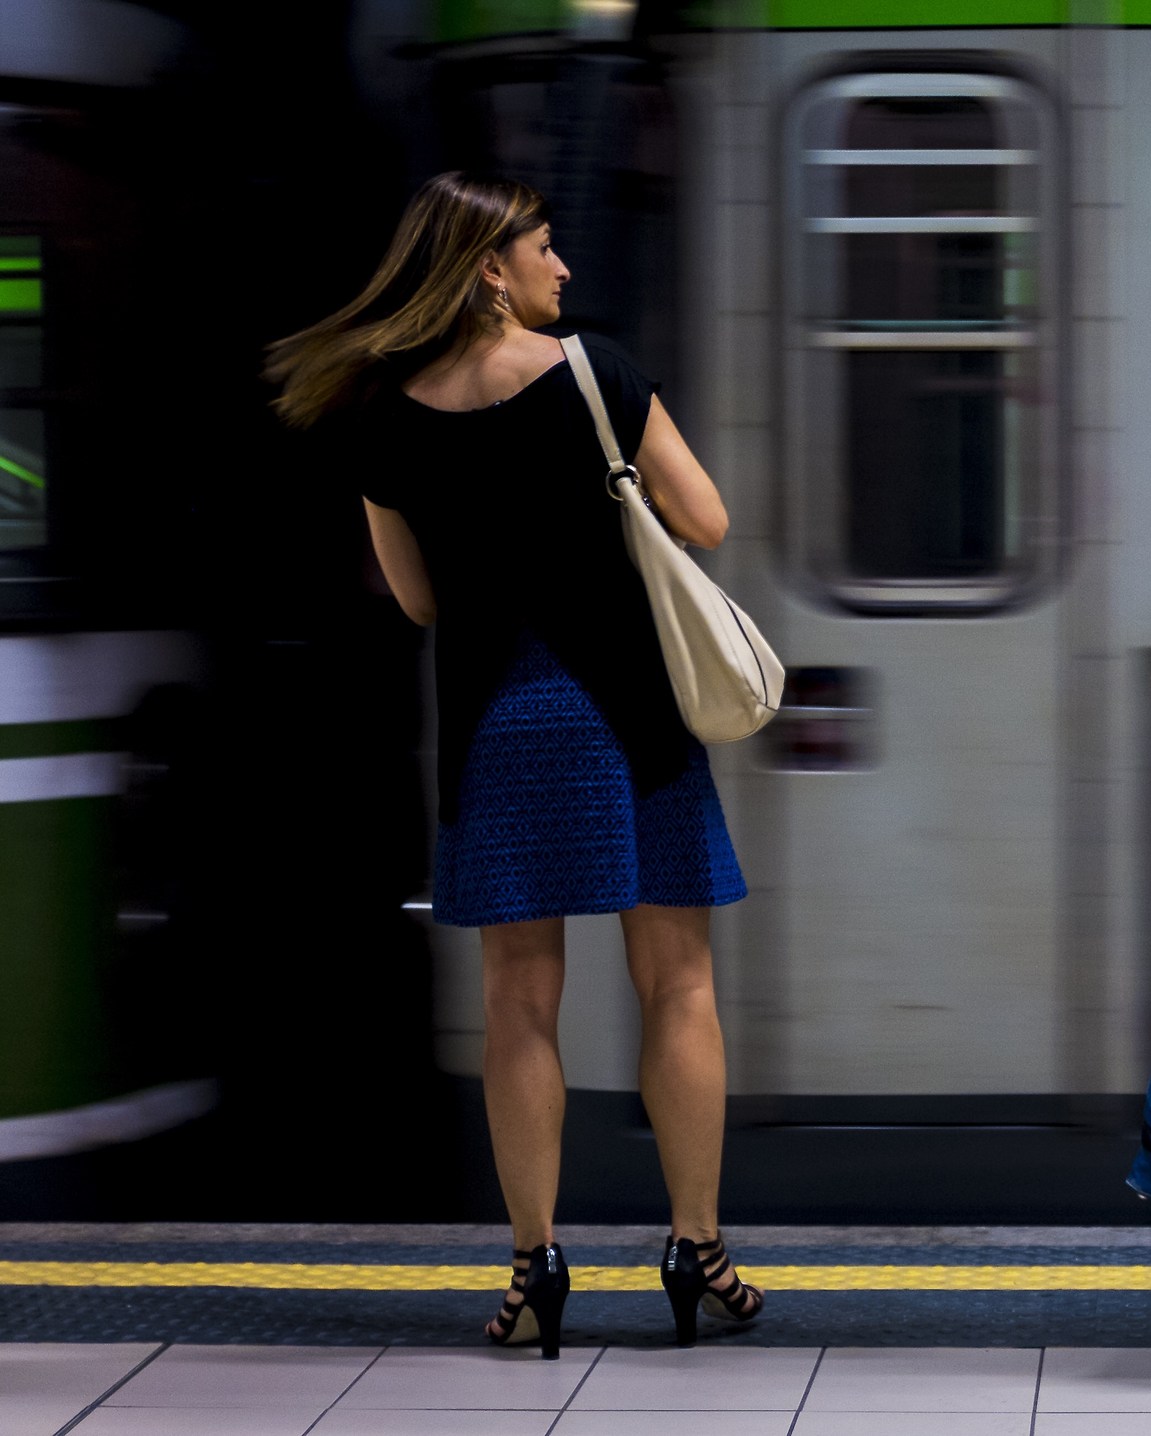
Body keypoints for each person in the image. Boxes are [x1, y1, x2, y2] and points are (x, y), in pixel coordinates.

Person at [266, 172, 761, 1358]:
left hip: (503, 726)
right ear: (489, 267)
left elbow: (423, 599)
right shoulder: (596, 373)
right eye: (544, 247)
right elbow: (706, 520)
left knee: (516, 1006)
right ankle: (697, 1249)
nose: (564, 268)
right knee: (678, 984)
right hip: (631, 713)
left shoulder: (386, 418)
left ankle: (535, 1266)